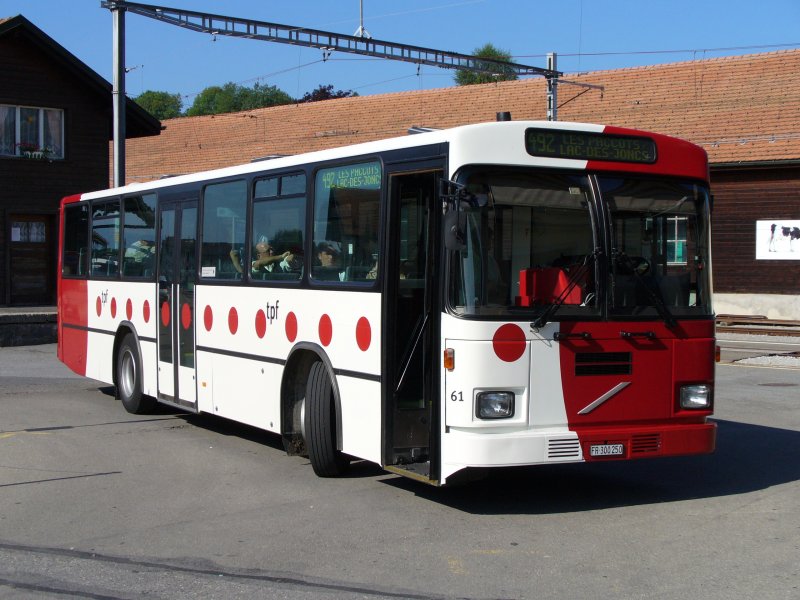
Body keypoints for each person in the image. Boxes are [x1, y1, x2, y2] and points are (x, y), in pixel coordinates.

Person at [231, 241, 295, 275]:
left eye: (272, 249)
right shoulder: (253, 264)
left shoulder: (279, 263)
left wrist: (290, 258)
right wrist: (280, 256)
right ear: (259, 256)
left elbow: (287, 261)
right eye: (268, 251)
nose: (272, 251)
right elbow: (258, 264)